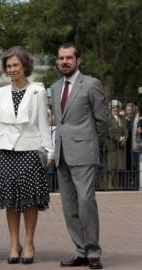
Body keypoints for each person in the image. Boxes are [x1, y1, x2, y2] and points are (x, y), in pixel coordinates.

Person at [0, 46, 54, 264]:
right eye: (9, 66)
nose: (12, 69)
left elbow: (44, 123)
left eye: (16, 65)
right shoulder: (1, 92)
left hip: (30, 151)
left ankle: (28, 243)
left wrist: (50, 151)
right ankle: (14, 244)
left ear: (25, 66)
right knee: (10, 201)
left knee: (29, 201)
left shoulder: (38, 90)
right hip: (5, 152)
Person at [51, 43, 108, 269]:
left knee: (86, 203)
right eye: (61, 58)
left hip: (83, 154)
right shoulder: (55, 87)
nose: (64, 62)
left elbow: (102, 121)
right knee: (69, 207)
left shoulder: (91, 84)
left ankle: (93, 252)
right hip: (62, 155)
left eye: (69, 58)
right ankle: (80, 250)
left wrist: (89, 143)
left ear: (78, 60)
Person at [104, 100, 127, 190]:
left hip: (121, 145)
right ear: (110, 108)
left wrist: (124, 138)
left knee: (119, 165)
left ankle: (117, 184)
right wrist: (118, 138)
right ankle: (109, 184)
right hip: (111, 145)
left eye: (117, 107)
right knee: (111, 165)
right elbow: (108, 131)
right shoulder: (108, 118)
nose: (115, 109)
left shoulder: (122, 118)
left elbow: (126, 129)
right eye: (113, 107)